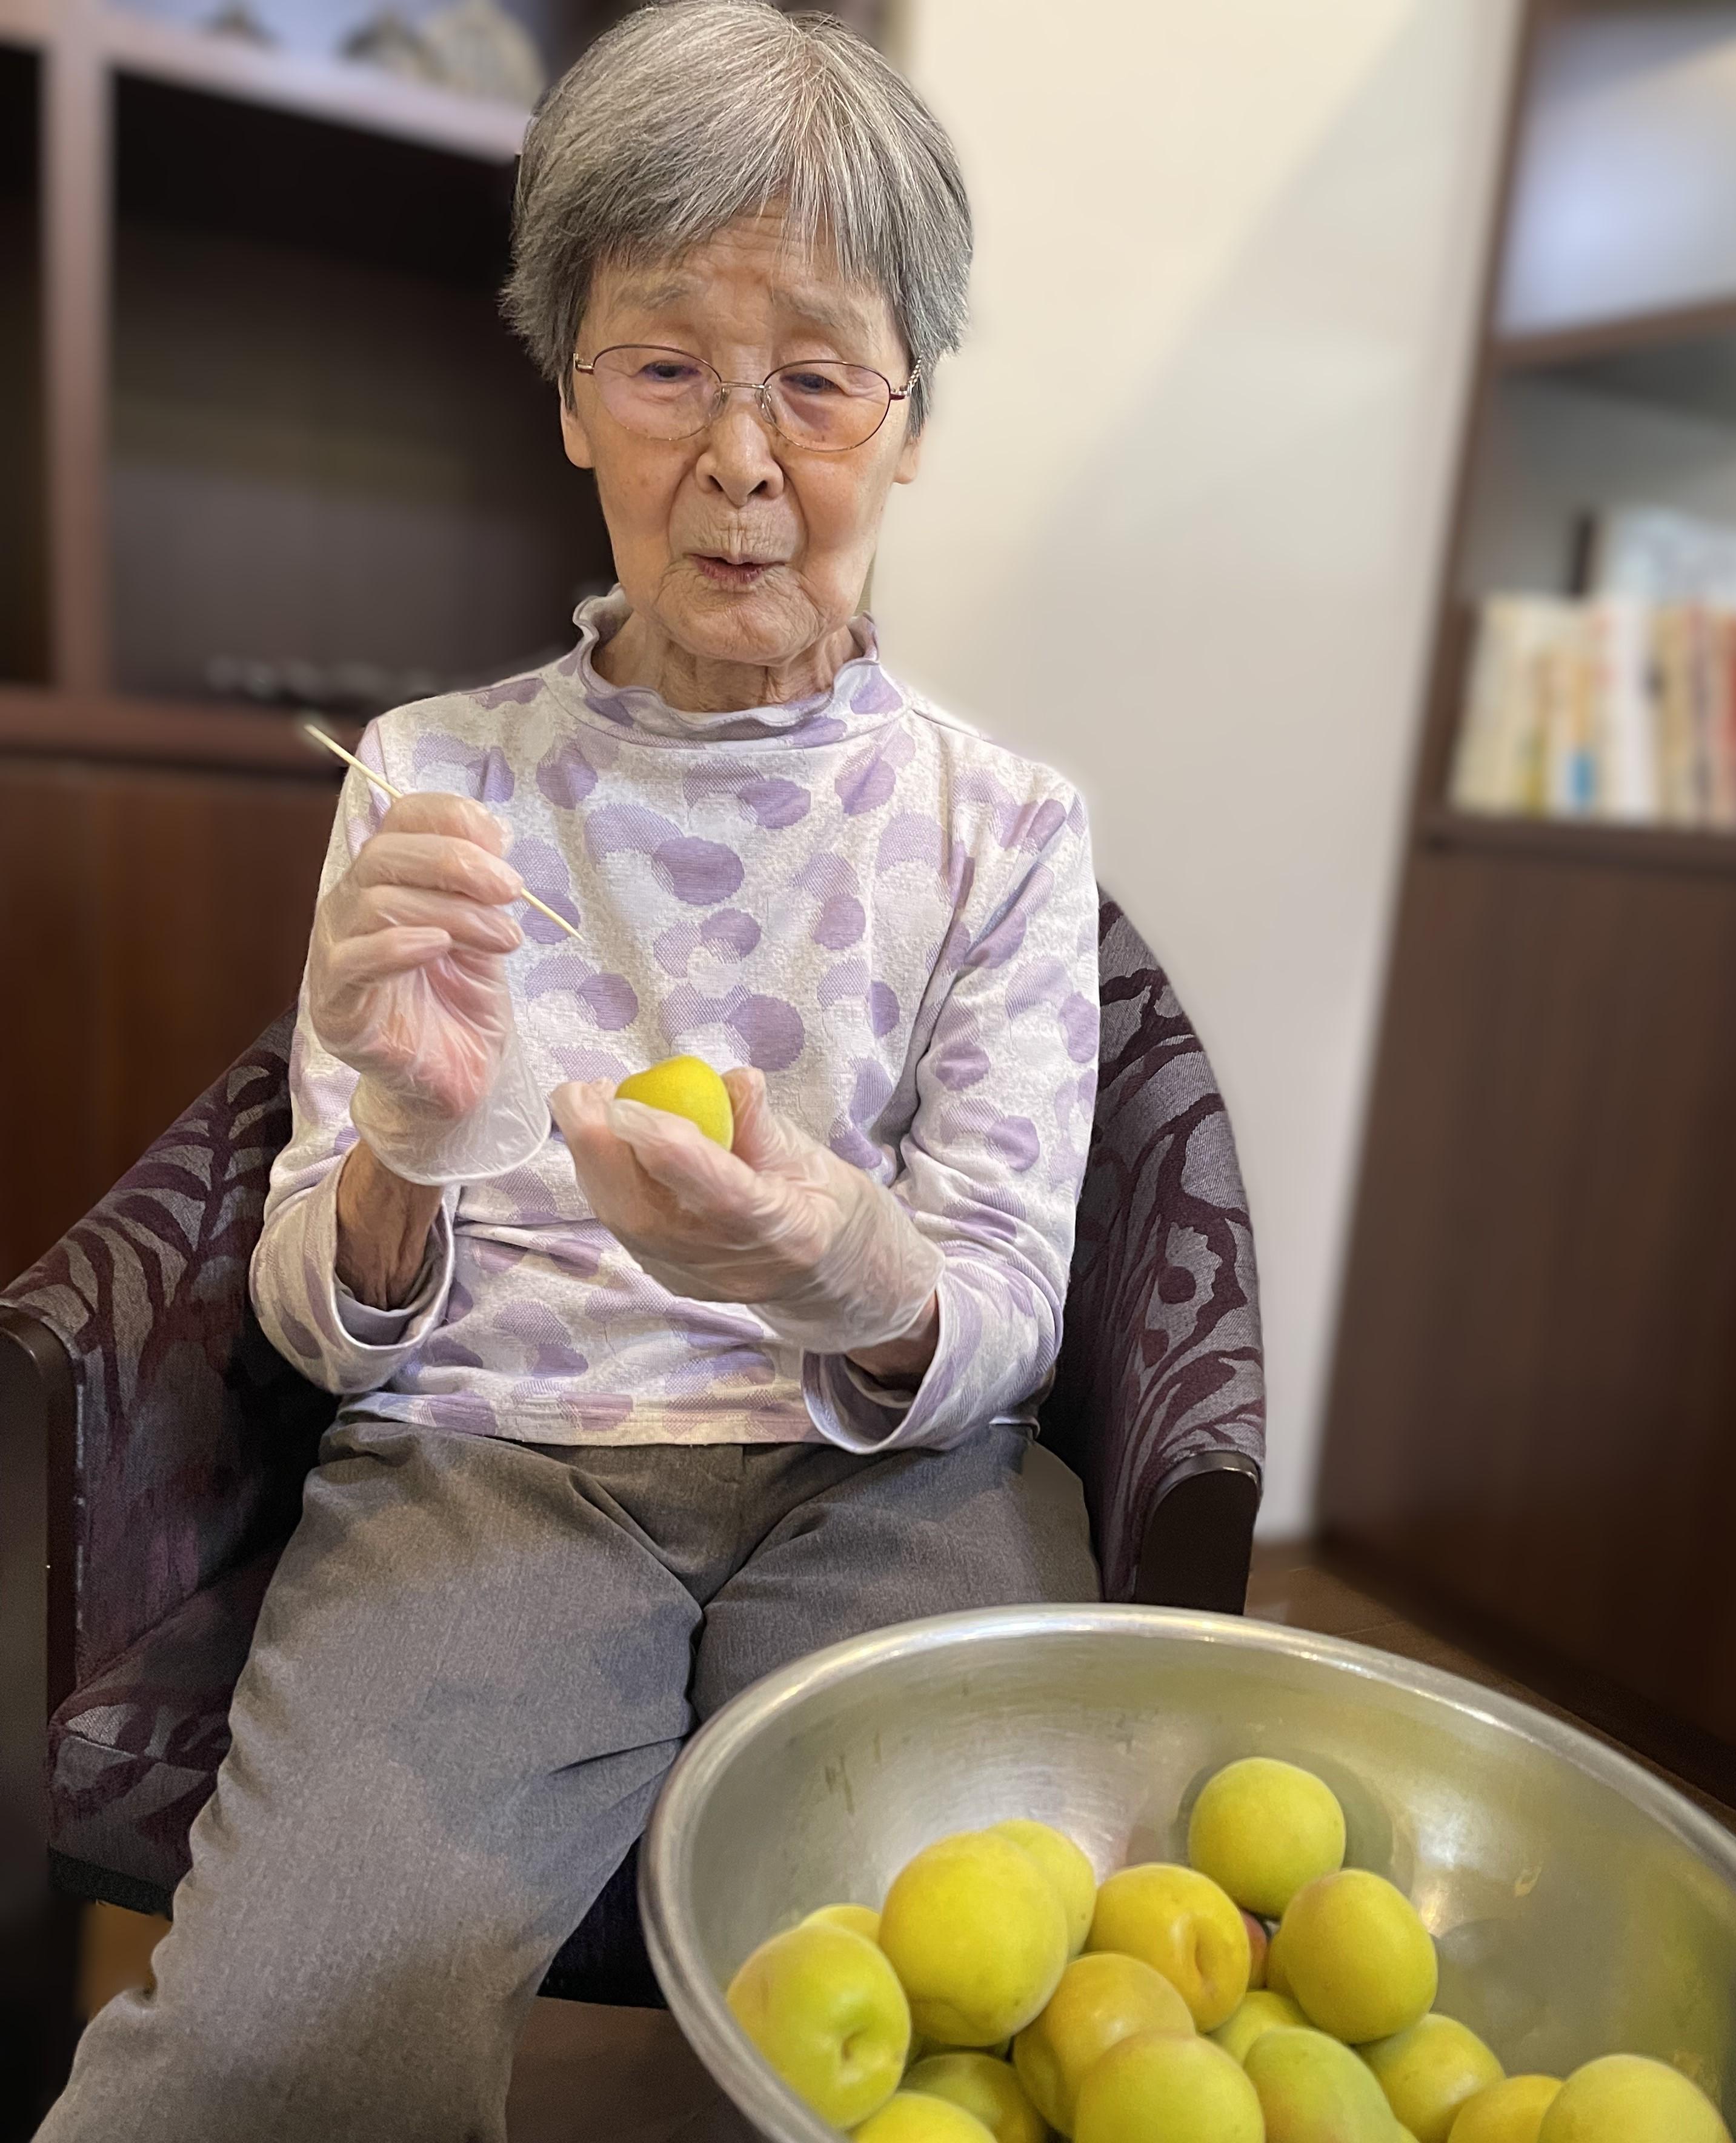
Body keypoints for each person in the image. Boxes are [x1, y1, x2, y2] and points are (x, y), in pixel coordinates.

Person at [38, 4, 1100, 2136]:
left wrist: (836, 1256)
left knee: (1010, 2049)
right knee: (268, 2058)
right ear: (566, 399)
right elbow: (306, 1318)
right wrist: (404, 1162)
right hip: (485, 1470)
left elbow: (1004, 1305)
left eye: (816, 374)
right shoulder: (432, 780)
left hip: (897, 1482)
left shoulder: (1007, 826)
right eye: (665, 362)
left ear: (910, 423)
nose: (740, 454)